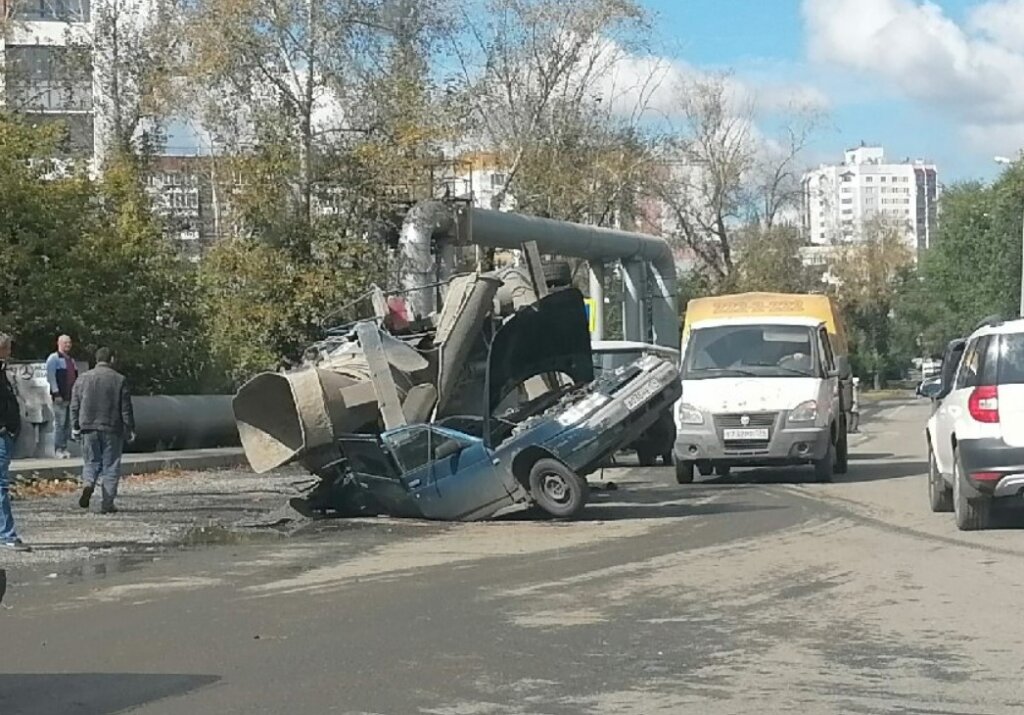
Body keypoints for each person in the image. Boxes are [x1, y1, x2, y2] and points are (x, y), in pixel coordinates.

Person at [70, 347, 134, 514]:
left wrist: (75, 425)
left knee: (91, 461)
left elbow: (74, 404)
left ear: (96, 360)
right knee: (111, 465)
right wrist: (129, 428)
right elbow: (125, 408)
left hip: (88, 427)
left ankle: (88, 483)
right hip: (112, 427)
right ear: (111, 359)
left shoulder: (82, 379)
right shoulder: (119, 379)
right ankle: (107, 503)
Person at [0, 333, 30, 551]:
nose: (10, 353)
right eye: (7, 349)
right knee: (0, 485)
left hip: (6, 433)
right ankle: (7, 534)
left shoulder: (3, 372)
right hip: (2, 434)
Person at [45, 334, 78, 459]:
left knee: (67, 424)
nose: (68, 345)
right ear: (59, 343)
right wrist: (56, 393)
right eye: (65, 343)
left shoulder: (71, 360)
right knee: (59, 423)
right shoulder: (53, 358)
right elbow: (51, 376)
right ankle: (58, 449)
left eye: (69, 342)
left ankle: (64, 448)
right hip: (60, 397)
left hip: (70, 397)